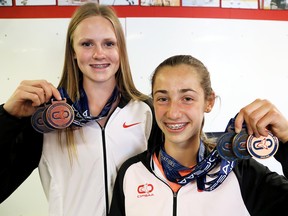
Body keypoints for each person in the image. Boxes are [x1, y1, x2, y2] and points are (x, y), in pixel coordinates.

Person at [0, 3, 157, 216]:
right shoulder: (48, 118)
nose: (99, 54)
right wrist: (8, 117)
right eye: (87, 44)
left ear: (120, 50)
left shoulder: (146, 111)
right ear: (73, 52)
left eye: (109, 43)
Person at [109, 54, 288, 216]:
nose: (173, 113)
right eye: (163, 99)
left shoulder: (239, 171)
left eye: (187, 98)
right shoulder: (132, 172)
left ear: (208, 102)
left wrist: (287, 141)